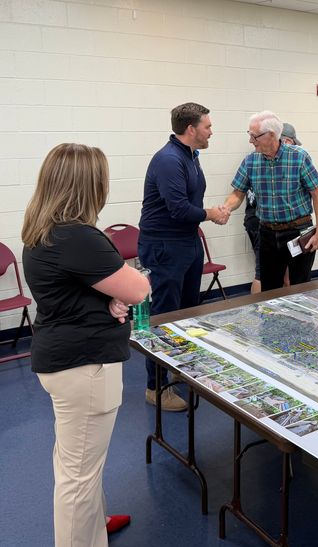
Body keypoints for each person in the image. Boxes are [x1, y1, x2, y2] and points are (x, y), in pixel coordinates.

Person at [22, 143, 151, 546]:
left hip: (61, 355)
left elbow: (80, 289)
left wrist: (109, 297)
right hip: (85, 367)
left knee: (76, 461)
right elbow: (140, 287)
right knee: (79, 475)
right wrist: (122, 292)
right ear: (89, 185)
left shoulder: (41, 229)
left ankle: (95, 523)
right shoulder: (78, 236)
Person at [138, 102, 228, 412]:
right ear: (191, 129)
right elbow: (177, 208)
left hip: (186, 242)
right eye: (207, 126)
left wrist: (208, 213)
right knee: (164, 317)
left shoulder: (190, 156)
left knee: (188, 313)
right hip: (164, 245)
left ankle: (180, 372)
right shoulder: (168, 160)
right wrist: (210, 214)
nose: (211, 131)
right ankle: (156, 387)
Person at [222, 110, 318, 291]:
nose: (250, 141)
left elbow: (317, 194)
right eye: (250, 135)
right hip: (267, 233)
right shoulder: (250, 161)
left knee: (300, 287)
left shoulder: (299, 157)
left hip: (298, 231)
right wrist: (225, 209)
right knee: (270, 289)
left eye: (254, 137)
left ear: (271, 135)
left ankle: (301, 320)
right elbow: (237, 193)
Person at [243, 122, 302, 293]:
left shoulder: (260, 159)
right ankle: (262, 310)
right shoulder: (257, 160)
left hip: (261, 222)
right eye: (290, 141)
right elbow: (238, 192)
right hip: (263, 224)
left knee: (279, 274)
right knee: (263, 275)